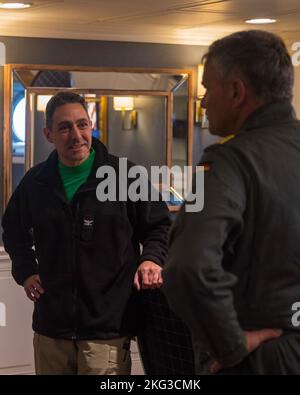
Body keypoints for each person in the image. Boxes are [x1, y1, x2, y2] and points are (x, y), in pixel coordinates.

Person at [2, 91, 171, 375]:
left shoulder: (124, 175)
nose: (76, 135)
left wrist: (151, 258)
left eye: (82, 124)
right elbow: (13, 231)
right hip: (51, 327)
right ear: (48, 134)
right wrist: (26, 270)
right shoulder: (36, 182)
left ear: (90, 125)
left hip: (107, 330)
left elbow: (159, 225)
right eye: (65, 127)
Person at [163, 30, 300, 374]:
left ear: (237, 92)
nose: (204, 101)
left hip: (262, 358)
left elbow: (187, 266)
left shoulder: (228, 161)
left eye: (208, 88)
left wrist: (230, 344)